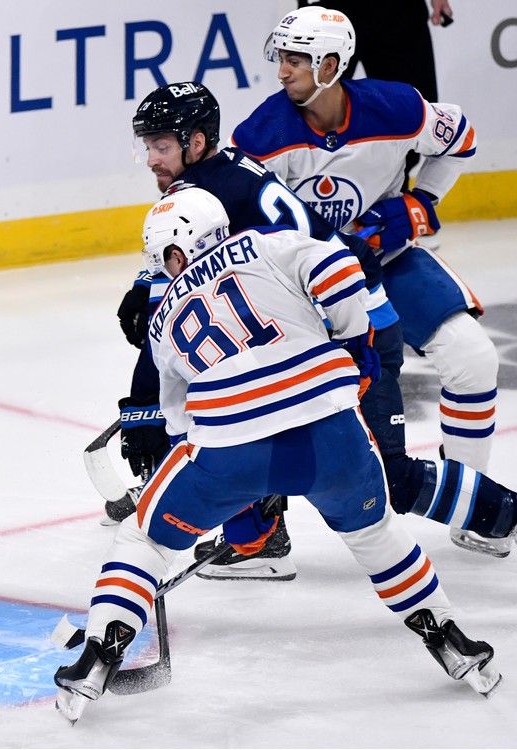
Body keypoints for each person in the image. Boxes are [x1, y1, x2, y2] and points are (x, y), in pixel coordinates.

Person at [54, 187, 501, 724]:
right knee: (375, 532)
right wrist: (356, 342)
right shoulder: (265, 243)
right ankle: (448, 636)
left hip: (229, 447)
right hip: (331, 431)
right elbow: (340, 267)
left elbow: (180, 425)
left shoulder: (162, 319)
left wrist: (232, 498)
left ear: (172, 251)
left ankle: (101, 651)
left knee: (145, 537)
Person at [234, 7, 504, 556]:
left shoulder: (396, 105)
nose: (282, 71)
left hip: (386, 259)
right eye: (281, 57)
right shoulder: (260, 136)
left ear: (331, 65)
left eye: (296, 60)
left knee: (473, 359)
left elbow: (462, 138)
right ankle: (259, 537)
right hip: (299, 287)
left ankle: (474, 507)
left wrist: (421, 203)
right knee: (265, 393)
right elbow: (243, 231)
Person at [296, 0, 454, 191]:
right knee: (311, 105)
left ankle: (394, 204)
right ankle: (307, 199)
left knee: (410, 113)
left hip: (396, 10)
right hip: (329, 8)